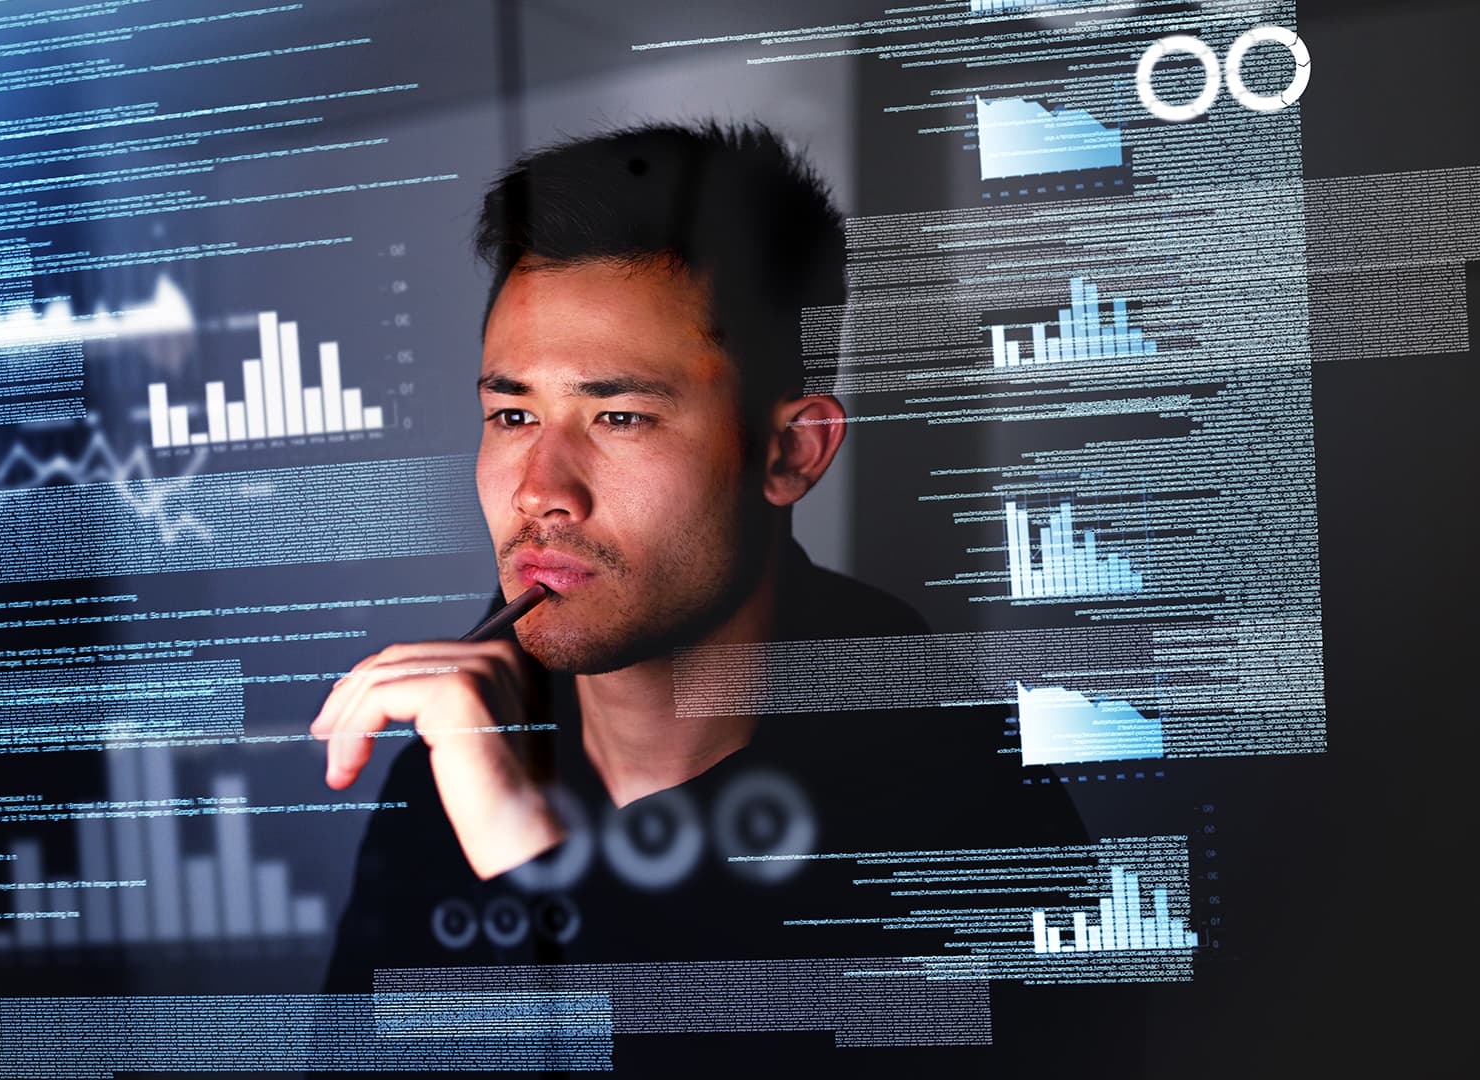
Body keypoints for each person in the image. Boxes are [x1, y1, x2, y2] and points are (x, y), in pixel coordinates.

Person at [310, 121, 1135, 1074]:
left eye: (619, 416)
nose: (542, 489)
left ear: (789, 453)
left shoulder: (968, 825)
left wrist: (525, 851)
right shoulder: (461, 752)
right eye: (513, 415)